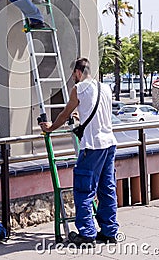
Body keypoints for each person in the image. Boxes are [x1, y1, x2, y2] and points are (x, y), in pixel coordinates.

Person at [39, 57, 118, 247]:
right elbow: (96, 113)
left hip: (92, 147)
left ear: (78, 72)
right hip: (109, 144)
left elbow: (64, 113)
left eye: (74, 74)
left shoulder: (79, 88)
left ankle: (87, 233)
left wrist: (50, 127)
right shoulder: (105, 88)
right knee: (107, 188)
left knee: (84, 190)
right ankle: (109, 231)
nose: (73, 78)